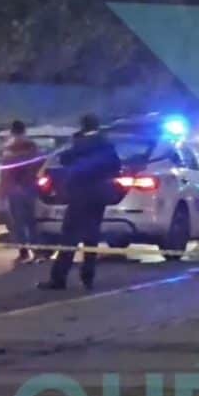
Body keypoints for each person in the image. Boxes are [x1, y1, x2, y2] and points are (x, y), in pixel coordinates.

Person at [38, 115, 121, 291]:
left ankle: (59, 278)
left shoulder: (79, 145)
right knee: (92, 237)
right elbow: (116, 167)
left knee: (69, 237)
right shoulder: (106, 145)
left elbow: (65, 161)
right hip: (98, 196)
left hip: (80, 196)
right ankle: (88, 277)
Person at [0, 120, 41, 265]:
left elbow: (6, 172)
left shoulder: (10, 148)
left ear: (12, 131)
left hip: (15, 190)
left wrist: (3, 190)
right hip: (30, 188)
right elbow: (38, 166)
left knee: (19, 222)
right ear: (24, 130)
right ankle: (37, 252)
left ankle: (24, 252)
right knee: (31, 222)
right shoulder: (32, 147)